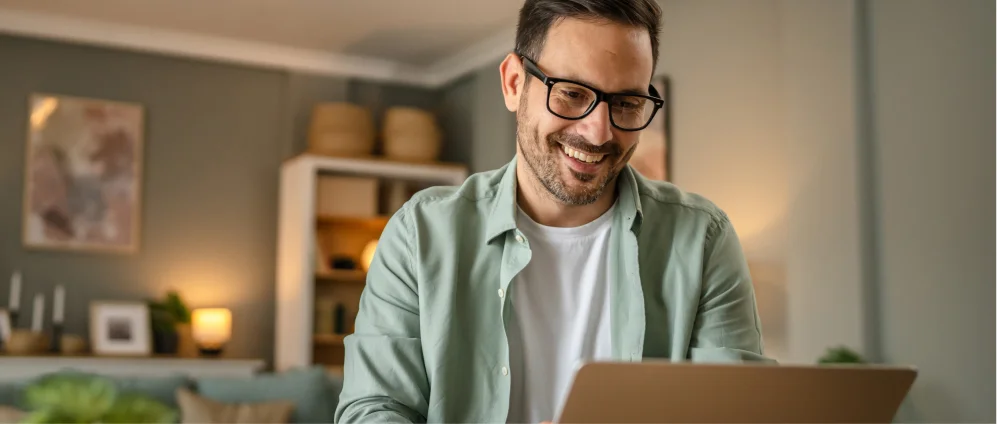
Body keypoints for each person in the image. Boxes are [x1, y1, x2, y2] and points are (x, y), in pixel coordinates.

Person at [336, 0, 770, 422]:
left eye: (626, 103)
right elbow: (373, 409)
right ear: (513, 83)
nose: (599, 131)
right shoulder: (419, 233)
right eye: (572, 93)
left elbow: (738, 413)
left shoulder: (703, 239)